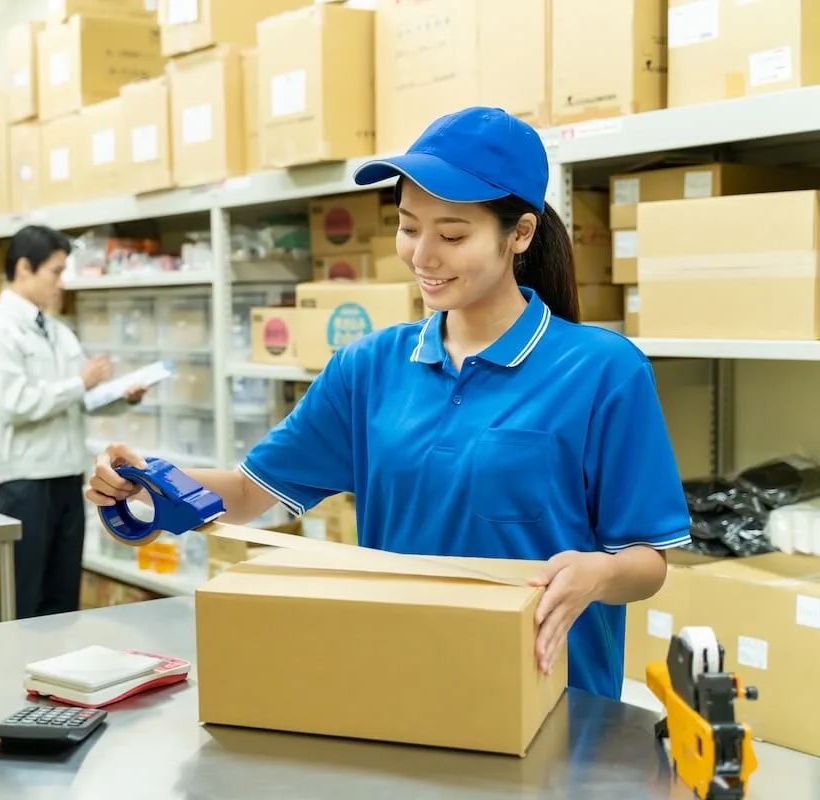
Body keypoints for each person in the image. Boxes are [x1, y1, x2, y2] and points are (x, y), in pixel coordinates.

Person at [86, 107, 691, 701]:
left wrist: (599, 575)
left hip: (550, 697)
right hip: (402, 684)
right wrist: (149, 483)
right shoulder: (368, 369)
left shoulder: (601, 369)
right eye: (408, 227)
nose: (423, 255)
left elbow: (647, 560)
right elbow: (248, 495)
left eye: (452, 235)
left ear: (521, 234)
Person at [0, 224, 147, 619]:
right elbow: (15, 404)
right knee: (24, 601)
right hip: (25, 483)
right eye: (56, 271)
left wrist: (119, 397)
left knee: (64, 602)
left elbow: (78, 401)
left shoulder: (59, 332)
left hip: (68, 478)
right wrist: (79, 382)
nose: (62, 283)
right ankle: (12, 680)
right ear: (25, 268)